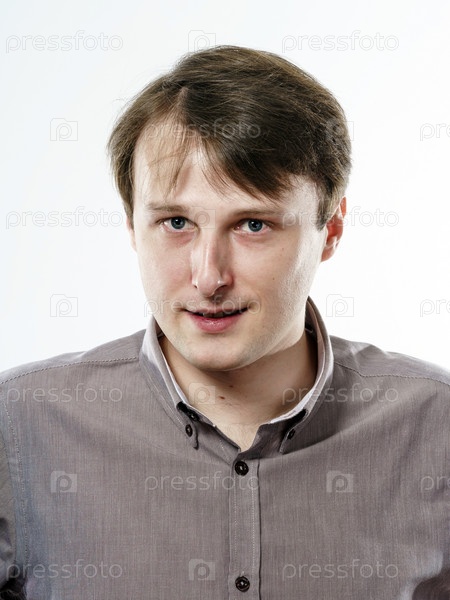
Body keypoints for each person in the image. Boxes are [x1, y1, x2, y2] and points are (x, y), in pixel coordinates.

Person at [0, 45, 448, 600]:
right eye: (176, 222)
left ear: (331, 230)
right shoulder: (19, 426)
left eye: (253, 225)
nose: (209, 277)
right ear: (132, 226)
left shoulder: (437, 427)